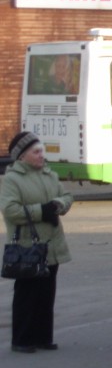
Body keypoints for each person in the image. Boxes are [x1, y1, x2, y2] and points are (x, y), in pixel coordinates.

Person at [0, 132, 73, 353]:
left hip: (51, 244)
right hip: (27, 246)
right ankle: (22, 340)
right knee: (27, 293)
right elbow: (10, 210)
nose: (42, 156)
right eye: (36, 152)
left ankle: (43, 337)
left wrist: (58, 205)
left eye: (42, 151)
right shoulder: (12, 179)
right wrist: (41, 211)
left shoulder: (49, 174)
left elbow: (67, 196)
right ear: (22, 156)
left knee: (46, 292)